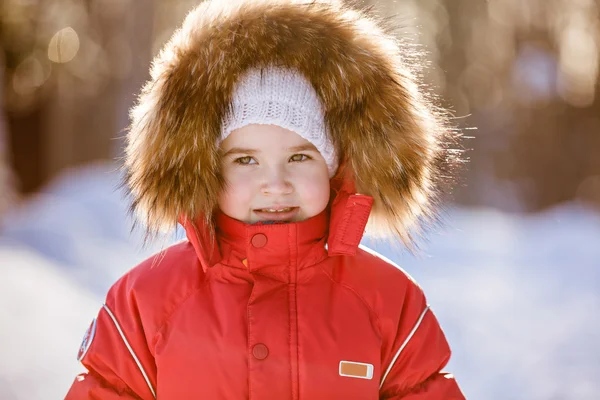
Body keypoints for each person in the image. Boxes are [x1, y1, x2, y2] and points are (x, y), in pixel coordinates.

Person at [66, 0, 466, 398]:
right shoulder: (148, 301)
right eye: (245, 160)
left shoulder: (385, 300)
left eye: (299, 157)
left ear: (336, 167)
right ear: (205, 171)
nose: (275, 184)